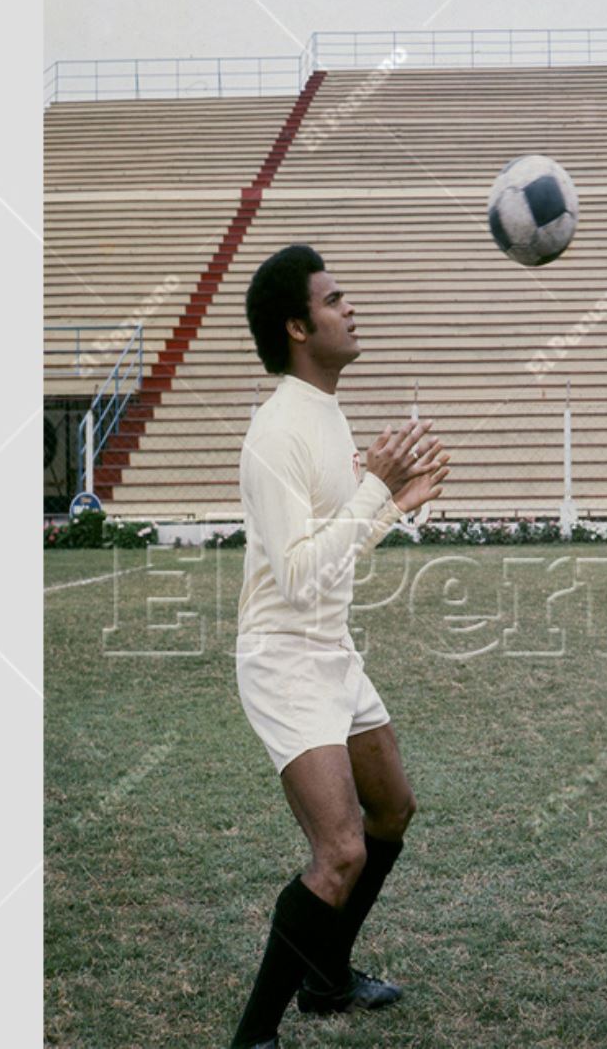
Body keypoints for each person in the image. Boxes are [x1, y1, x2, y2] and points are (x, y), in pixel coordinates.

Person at [227, 244, 451, 1049]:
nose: (350, 307)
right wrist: (377, 488)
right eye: (334, 299)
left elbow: (336, 555)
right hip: (284, 655)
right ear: (297, 326)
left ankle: (326, 978)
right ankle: (254, 1036)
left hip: (330, 644)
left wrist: (395, 502)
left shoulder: (327, 409)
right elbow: (295, 578)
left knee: (392, 807)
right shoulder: (275, 430)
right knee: (340, 850)